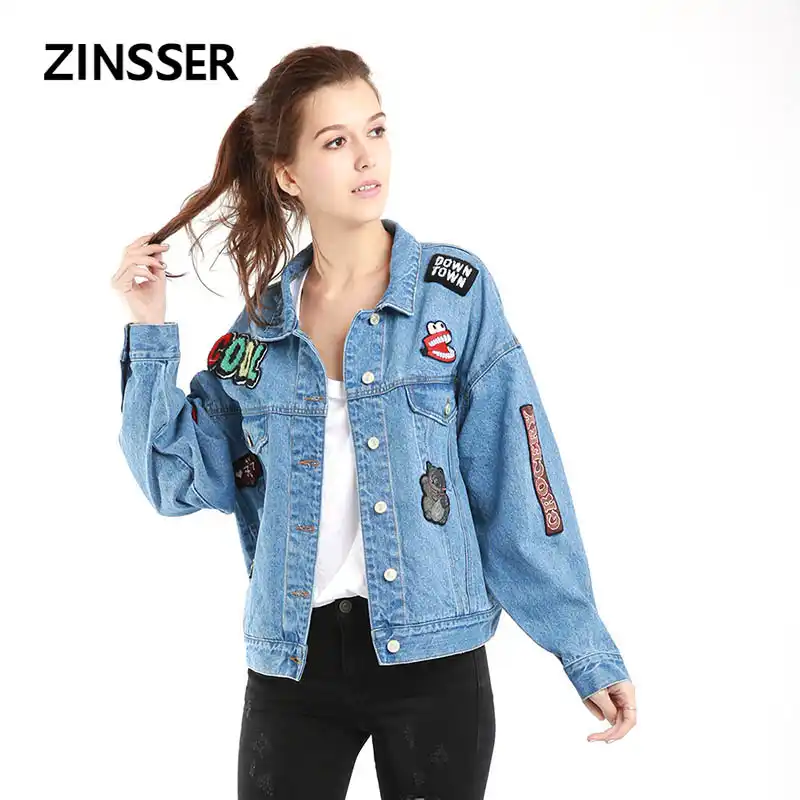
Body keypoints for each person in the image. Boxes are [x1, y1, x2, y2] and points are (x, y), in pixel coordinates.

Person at [111, 45, 636, 800]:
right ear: (289, 175)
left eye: (377, 130)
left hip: (434, 660)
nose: (367, 157)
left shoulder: (453, 296)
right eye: (335, 141)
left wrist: (583, 648)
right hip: (292, 665)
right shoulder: (261, 329)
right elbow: (173, 478)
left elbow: (516, 478)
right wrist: (148, 328)